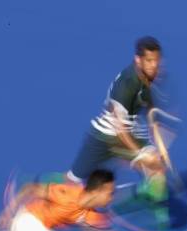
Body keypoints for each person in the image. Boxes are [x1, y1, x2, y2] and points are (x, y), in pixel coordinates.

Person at [67, 36, 169, 205]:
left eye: (156, 61)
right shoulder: (126, 85)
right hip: (104, 137)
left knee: (157, 170)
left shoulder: (150, 79)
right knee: (72, 183)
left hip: (130, 133)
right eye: (149, 60)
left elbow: (151, 115)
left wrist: (160, 148)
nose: (154, 65)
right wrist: (141, 154)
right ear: (138, 60)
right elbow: (121, 131)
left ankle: (158, 218)